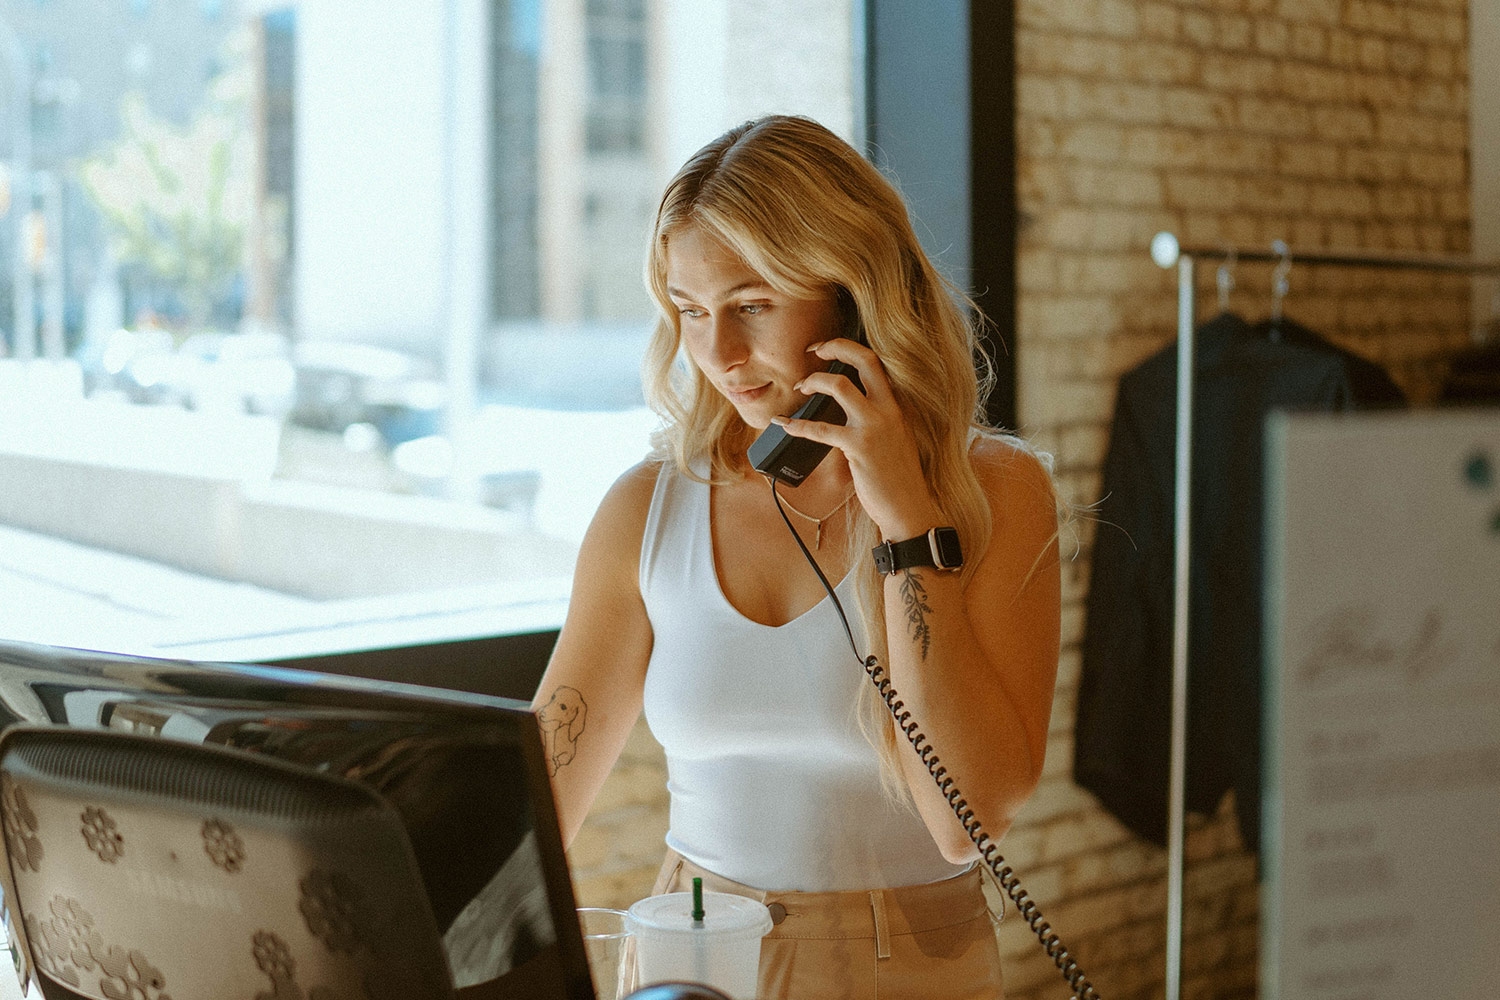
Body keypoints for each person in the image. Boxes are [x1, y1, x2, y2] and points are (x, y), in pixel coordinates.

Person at [532, 114, 1061, 1000]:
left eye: (752, 305)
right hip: (693, 960)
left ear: (850, 295)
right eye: (691, 312)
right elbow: (538, 794)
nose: (720, 355)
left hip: (912, 964)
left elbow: (966, 815)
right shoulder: (648, 508)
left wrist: (907, 522)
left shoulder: (996, 493)